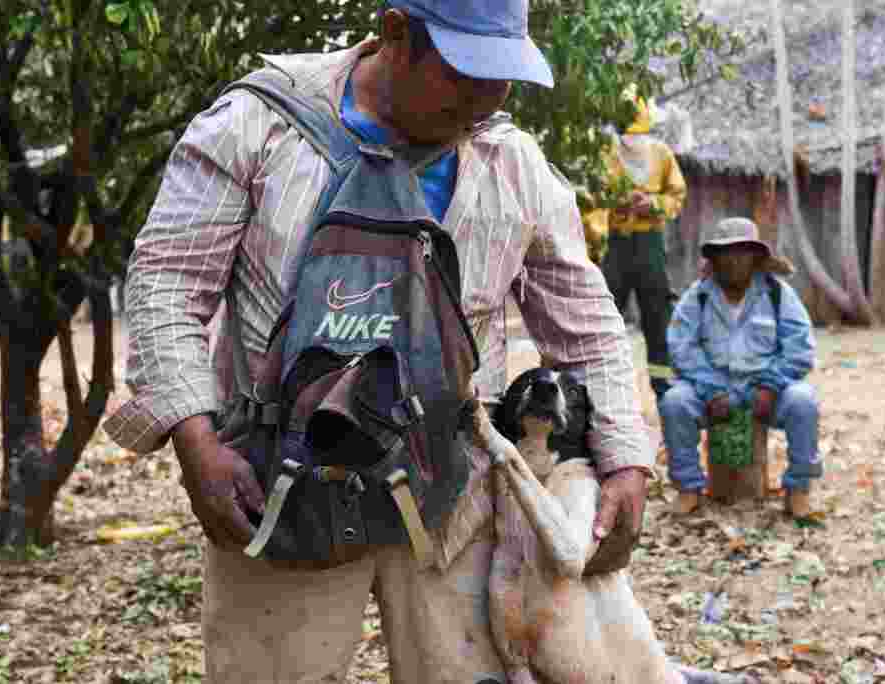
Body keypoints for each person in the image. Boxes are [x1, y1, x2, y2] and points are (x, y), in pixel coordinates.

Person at [103, 2, 652, 683]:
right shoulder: (260, 124)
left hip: (453, 493)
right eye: (465, 73)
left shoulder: (508, 160)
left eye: (501, 77)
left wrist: (626, 458)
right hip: (280, 491)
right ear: (395, 33)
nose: (483, 102)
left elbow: (583, 317)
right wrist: (197, 445)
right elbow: (166, 286)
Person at [660, 217, 821, 518]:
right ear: (714, 259)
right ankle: (688, 489)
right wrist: (710, 389)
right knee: (675, 402)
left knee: (804, 401)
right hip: (711, 390)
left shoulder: (778, 294)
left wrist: (771, 385)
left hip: (765, 389)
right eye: (725, 253)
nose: (734, 261)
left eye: (742, 252)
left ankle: (798, 490)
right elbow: (681, 348)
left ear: (756, 258)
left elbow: (800, 348)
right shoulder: (698, 296)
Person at [601, 95, 687, 405]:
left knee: (657, 312)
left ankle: (663, 386)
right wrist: (619, 205)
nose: (632, 141)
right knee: (608, 312)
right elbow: (594, 200)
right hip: (617, 243)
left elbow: (677, 197)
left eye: (638, 136)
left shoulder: (662, 155)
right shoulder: (606, 153)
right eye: (628, 136)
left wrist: (652, 203)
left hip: (650, 242)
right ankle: (603, 386)